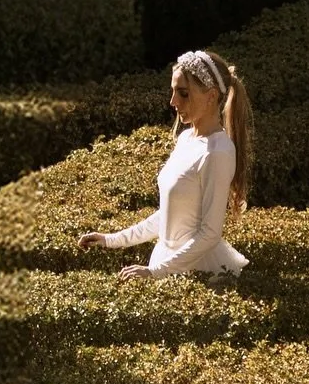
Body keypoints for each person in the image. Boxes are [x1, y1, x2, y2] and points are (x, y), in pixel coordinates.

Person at [80, 49, 253, 279]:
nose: (173, 102)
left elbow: (210, 234)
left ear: (211, 96)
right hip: (167, 261)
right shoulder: (185, 139)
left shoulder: (219, 152)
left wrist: (156, 271)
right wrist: (110, 239)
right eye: (173, 92)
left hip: (199, 271)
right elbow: (171, 214)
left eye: (183, 93)